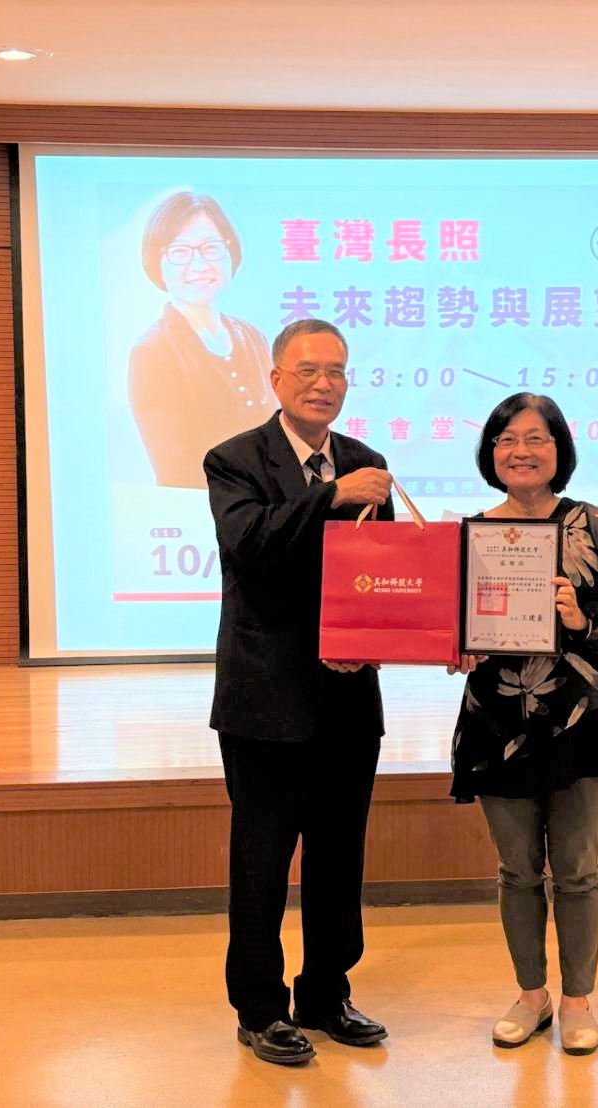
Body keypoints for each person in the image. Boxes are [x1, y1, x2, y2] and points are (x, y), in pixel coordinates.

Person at [204, 318, 396, 1066]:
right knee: (262, 858)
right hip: (265, 697)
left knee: (339, 855)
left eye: (337, 371)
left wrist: (376, 639)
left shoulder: (367, 462)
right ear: (276, 379)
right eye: (309, 370)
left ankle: (325, 994)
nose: (324, 383)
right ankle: (259, 1008)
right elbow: (249, 545)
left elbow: (380, 571)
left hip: (349, 695)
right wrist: (331, 496)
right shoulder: (234, 459)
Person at [448, 392, 598, 1056]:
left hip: (581, 717)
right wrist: (456, 647)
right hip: (497, 719)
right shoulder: (472, 535)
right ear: (491, 453)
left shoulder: (591, 523)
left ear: (559, 449)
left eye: (536, 438)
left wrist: (581, 619)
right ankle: (531, 995)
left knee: (578, 869)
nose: (521, 451)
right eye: (507, 439)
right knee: (515, 870)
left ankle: (577, 1000)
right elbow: (451, 626)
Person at [130, 190, 275, 488]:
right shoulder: (154, 350)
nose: (198, 265)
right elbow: (176, 466)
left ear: (231, 252)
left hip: (268, 510)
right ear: (157, 263)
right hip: (199, 511)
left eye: (211, 248)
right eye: (180, 252)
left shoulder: (253, 337)